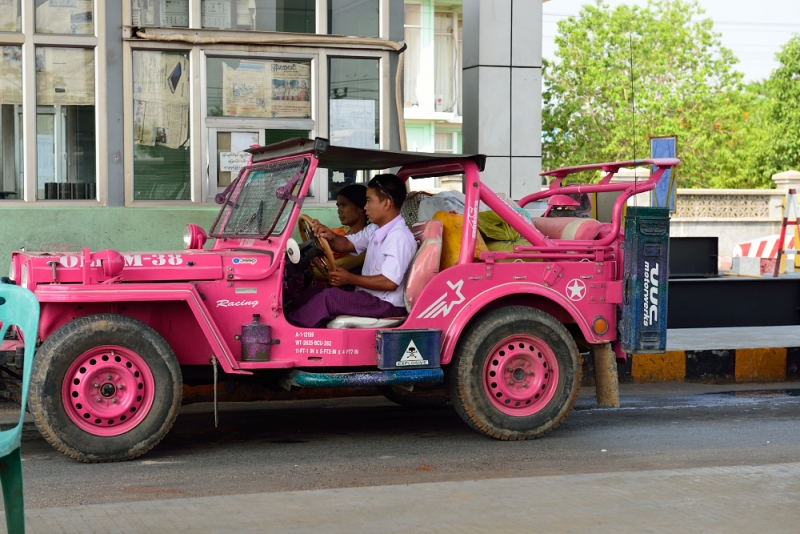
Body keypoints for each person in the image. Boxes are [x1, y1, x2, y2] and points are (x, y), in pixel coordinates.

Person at [285, 174, 416, 328]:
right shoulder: (374, 229)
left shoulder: (399, 237)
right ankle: (285, 319)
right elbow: (346, 244)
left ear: (386, 203)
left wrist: (349, 278)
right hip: (368, 296)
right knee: (315, 292)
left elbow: (389, 282)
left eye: (368, 201)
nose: (365, 207)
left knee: (329, 298)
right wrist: (330, 235)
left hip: (386, 305)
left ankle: (288, 331)